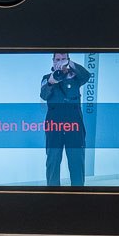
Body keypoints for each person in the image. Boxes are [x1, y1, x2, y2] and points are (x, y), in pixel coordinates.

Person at [40, 52, 90, 186]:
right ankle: (53, 194)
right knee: (53, 161)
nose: (60, 62)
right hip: (54, 127)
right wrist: (51, 82)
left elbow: (87, 75)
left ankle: (78, 195)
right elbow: (43, 95)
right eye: (57, 59)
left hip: (74, 126)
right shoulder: (47, 78)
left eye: (63, 59)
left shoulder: (76, 77)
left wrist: (70, 66)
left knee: (77, 161)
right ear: (52, 61)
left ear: (68, 60)